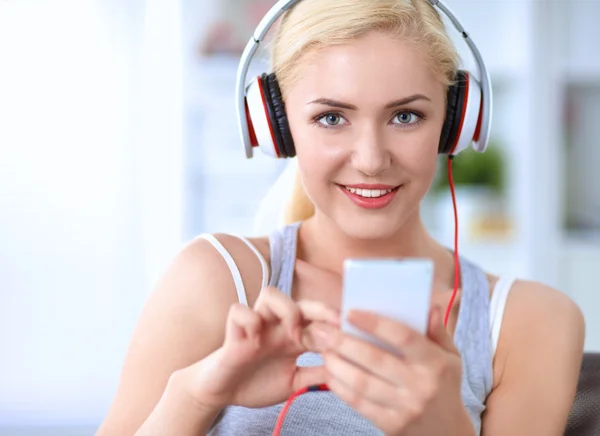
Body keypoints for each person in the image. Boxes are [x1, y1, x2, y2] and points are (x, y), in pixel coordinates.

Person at [96, 1, 586, 435]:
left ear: (455, 121)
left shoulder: (532, 323)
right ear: (277, 127)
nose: (371, 159)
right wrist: (196, 396)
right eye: (331, 118)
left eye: (406, 116)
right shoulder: (218, 280)